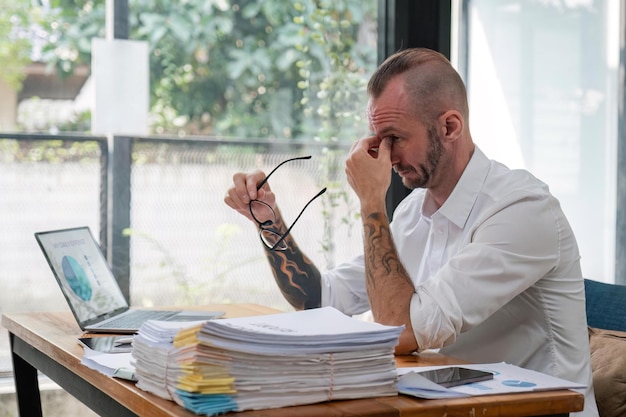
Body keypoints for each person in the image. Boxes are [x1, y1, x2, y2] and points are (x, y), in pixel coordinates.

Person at [224, 48, 598, 416]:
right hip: (451, 405)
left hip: (537, 411)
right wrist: (270, 222)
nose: (383, 155)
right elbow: (322, 300)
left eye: (395, 138)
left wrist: (371, 200)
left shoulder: (521, 209)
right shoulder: (412, 212)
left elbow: (402, 332)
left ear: (449, 127)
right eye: (377, 138)